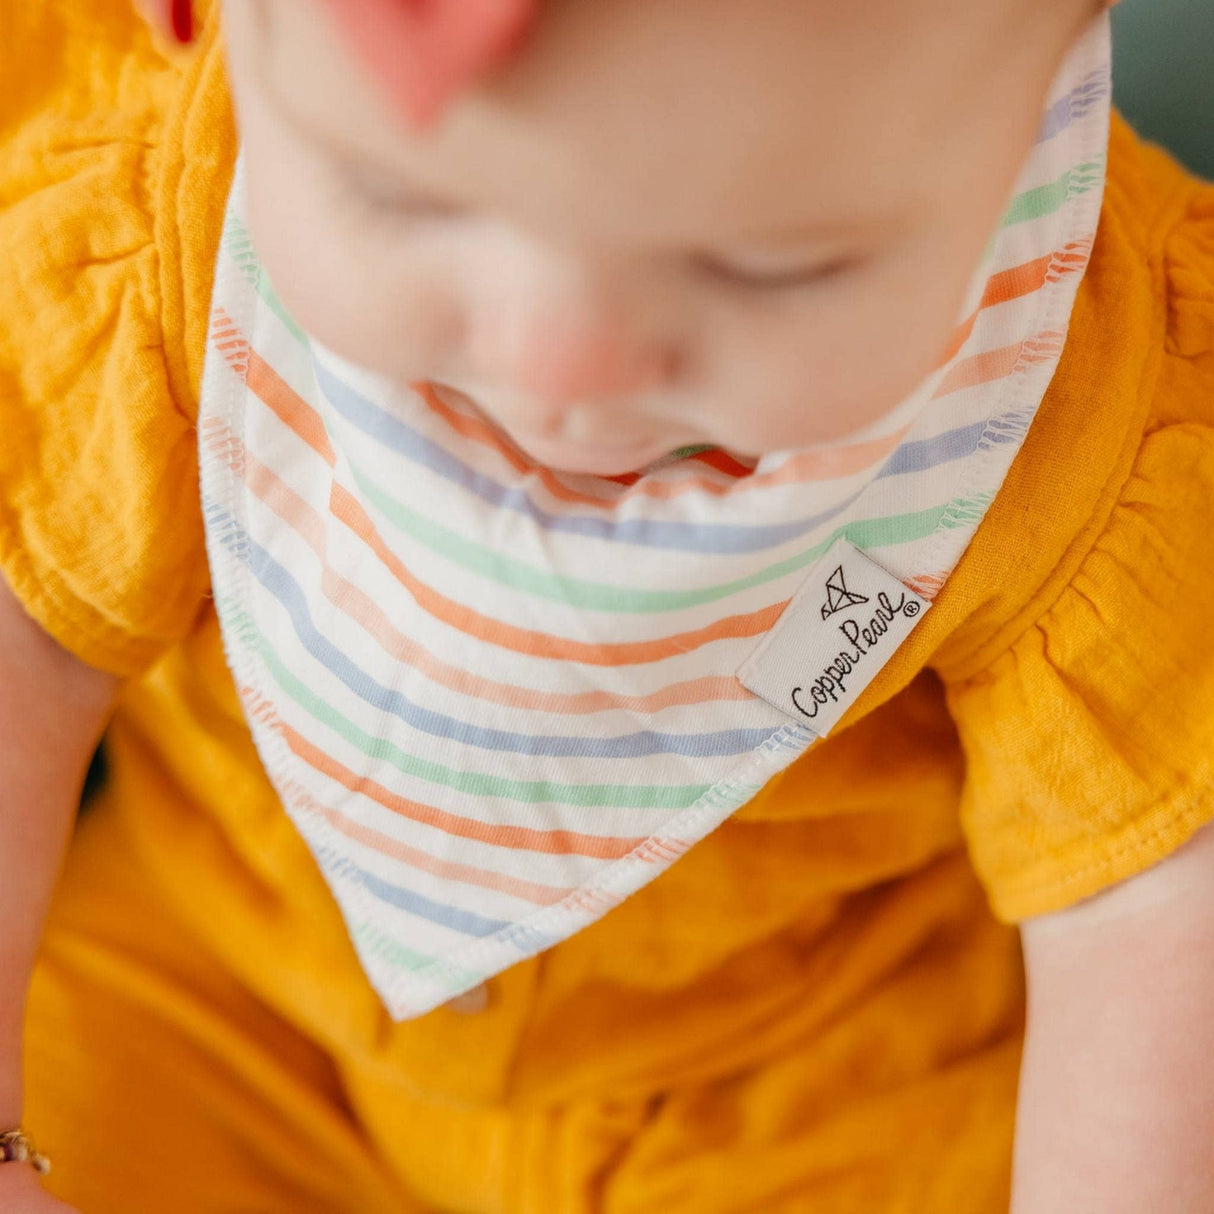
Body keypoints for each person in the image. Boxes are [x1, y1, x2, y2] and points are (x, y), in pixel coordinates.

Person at [2, 0, 1213, 1210]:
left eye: (771, 262)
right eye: (398, 194)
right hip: (226, 997)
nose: (556, 368)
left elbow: (1146, 901)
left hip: (803, 1079)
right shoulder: (152, 206)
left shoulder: (1095, 398)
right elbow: (26, 638)